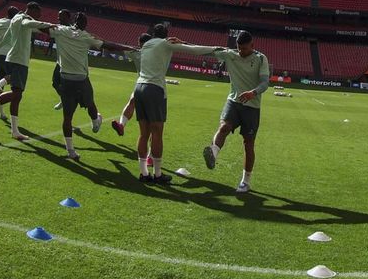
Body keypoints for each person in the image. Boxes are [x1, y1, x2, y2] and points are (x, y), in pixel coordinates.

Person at [130, 23, 222, 184]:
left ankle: (144, 173)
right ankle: (158, 175)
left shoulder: (146, 45)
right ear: (166, 35)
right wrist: (215, 48)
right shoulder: (166, 43)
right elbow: (194, 50)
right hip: (154, 89)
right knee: (157, 133)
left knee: (144, 134)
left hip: (139, 87)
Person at [202, 30, 271, 194]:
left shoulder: (261, 58)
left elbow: (265, 83)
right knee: (224, 127)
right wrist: (181, 44)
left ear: (252, 46)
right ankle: (213, 153)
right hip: (233, 101)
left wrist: (253, 92)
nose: (242, 52)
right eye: (239, 48)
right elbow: (205, 49)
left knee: (248, 144)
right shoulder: (231, 55)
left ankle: (245, 181)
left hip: (252, 106)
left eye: (245, 49)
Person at [0, 2, 57, 140]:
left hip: (14, 58)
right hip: (19, 60)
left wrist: (51, 29)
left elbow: (33, 28)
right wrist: (50, 25)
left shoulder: (16, 19)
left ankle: (14, 131)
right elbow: (33, 24)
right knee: (17, 93)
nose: (39, 16)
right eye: (38, 13)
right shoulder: (23, 19)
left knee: (17, 96)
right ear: (31, 10)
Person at [48, 10, 106, 159]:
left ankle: (93, 124)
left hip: (71, 77)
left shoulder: (67, 32)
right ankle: (72, 149)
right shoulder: (70, 32)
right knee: (81, 106)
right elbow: (105, 44)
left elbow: (104, 44)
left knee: (82, 109)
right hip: (75, 77)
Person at [110, 32, 151, 135]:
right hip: (144, 85)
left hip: (150, 86)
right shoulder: (139, 53)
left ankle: (150, 136)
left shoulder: (137, 53)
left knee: (145, 112)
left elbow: (120, 49)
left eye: (139, 43)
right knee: (132, 101)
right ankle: (121, 125)